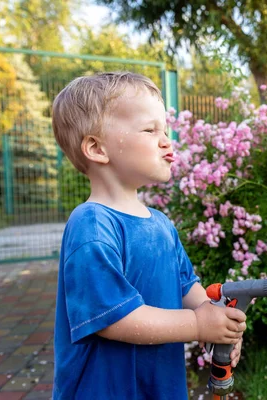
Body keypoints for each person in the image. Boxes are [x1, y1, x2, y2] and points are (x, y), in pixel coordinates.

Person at [51, 71, 247, 399]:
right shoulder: (92, 225)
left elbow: (187, 288)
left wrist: (217, 322)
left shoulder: (160, 224)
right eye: (150, 129)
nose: (167, 140)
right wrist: (198, 325)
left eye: (166, 130)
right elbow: (115, 320)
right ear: (97, 148)